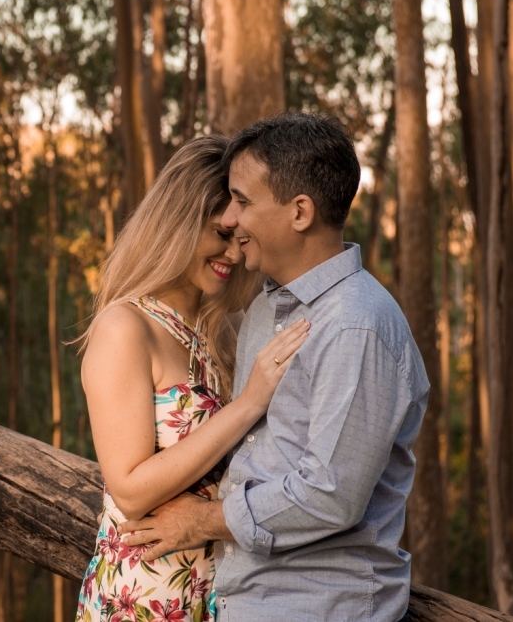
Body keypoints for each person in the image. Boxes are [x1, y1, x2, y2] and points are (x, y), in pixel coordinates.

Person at [119, 113, 430, 622]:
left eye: (242, 201)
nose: (233, 219)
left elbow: (330, 494)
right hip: (246, 599)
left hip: (319, 606)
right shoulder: (266, 307)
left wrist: (201, 522)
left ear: (300, 212)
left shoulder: (357, 326)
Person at [75, 135, 310, 622]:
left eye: (240, 234)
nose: (234, 250)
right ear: (179, 222)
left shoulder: (224, 330)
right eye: (219, 232)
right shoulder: (126, 327)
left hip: (218, 591)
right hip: (145, 597)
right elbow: (131, 489)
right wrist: (249, 402)